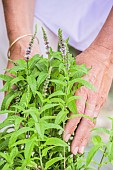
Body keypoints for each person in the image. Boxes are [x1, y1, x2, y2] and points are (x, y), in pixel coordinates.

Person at [1, 0, 113, 155]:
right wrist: (19, 39)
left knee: (75, 118)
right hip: (34, 10)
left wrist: (105, 52)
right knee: (13, 119)